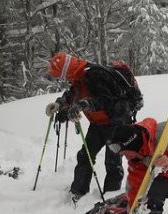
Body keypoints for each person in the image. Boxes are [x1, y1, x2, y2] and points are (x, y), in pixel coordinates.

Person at [44, 52, 143, 201]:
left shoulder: (94, 74)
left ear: (66, 70)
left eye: (61, 76)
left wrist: (84, 105)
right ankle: (78, 191)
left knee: (112, 161)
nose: (62, 79)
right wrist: (59, 104)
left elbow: (107, 100)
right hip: (98, 124)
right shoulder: (79, 76)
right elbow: (73, 94)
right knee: (85, 156)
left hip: (117, 122)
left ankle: (111, 196)